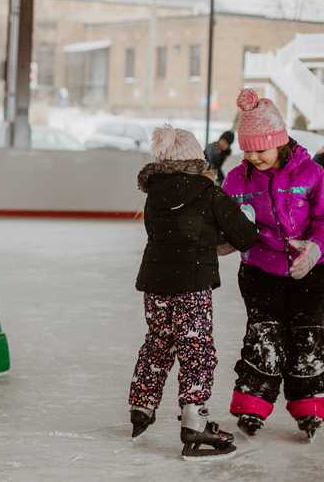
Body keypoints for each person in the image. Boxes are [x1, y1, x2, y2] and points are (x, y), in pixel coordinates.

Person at [130, 124, 256, 460]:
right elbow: (245, 237)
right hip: (192, 285)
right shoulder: (209, 192)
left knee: (158, 341)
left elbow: (160, 233)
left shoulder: (153, 195)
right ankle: (194, 422)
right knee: (196, 347)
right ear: (196, 158)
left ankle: (142, 406)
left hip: (155, 282)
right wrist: (244, 217)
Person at [220, 88, 324, 443]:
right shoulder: (236, 179)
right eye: (247, 149)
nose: (252, 156)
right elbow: (227, 223)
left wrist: (316, 248)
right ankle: (252, 405)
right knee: (264, 337)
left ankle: (309, 406)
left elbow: (323, 218)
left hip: (310, 271)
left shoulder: (312, 173)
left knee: (307, 336)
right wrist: (225, 239)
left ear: (279, 142)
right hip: (260, 271)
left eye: (260, 149)